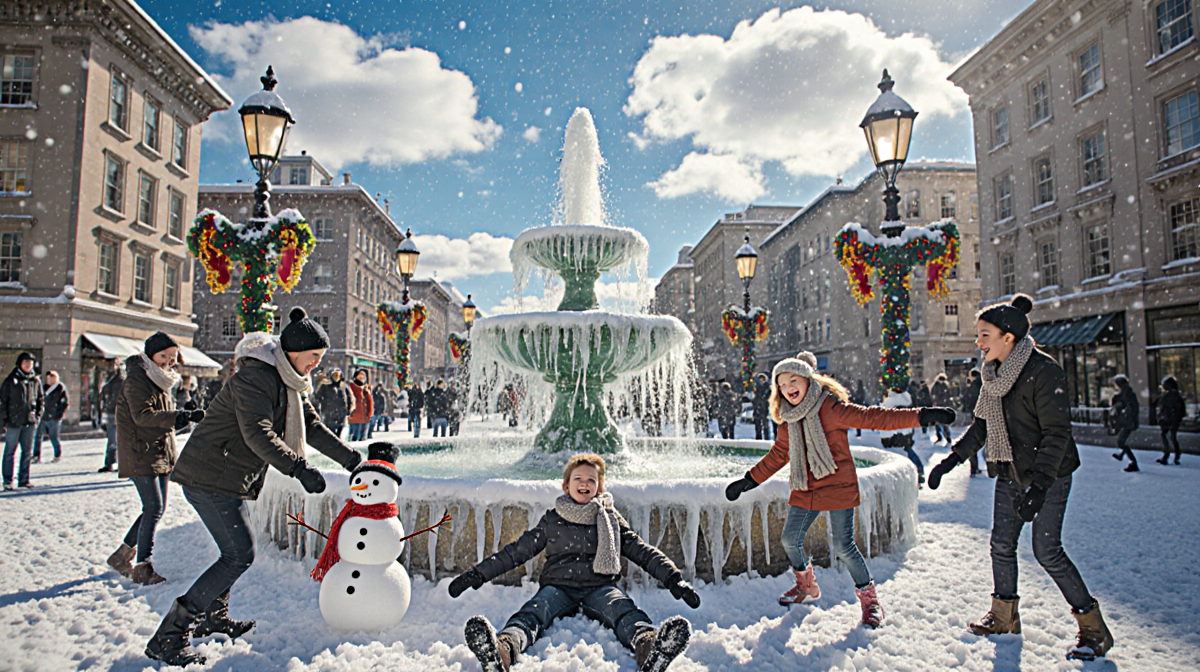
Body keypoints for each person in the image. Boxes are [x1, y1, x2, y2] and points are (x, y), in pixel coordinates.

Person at [146, 308, 363, 666]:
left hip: (227, 478)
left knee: (236, 552)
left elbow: (314, 428)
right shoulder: (256, 379)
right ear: (294, 351)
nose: (316, 364)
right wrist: (299, 468)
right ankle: (169, 636)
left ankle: (212, 617)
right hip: (209, 476)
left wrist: (353, 460)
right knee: (238, 554)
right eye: (314, 357)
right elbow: (257, 432)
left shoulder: (290, 383)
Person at [926, 295, 1113, 661]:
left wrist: (1041, 485)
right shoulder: (992, 375)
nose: (978, 343)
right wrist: (950, 461)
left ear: (1008, 337)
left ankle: (1094, 629)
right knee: (1001, 544)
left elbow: (1057, 434)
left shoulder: (1044, 372)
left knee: (1047, 551)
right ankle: (1004, 618)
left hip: (1051, 474)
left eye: (984, 335)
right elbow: (981, 427)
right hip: (1011, 471)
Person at [725, 352, 953, 628]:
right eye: (782, 385)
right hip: (806, 486)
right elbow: (778, 455)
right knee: (790, 539)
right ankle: (806, 586)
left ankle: (870, 601)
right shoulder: (788, 419)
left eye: (793, 380)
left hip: (836, 483)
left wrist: (922, 416)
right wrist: (748, 480)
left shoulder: (830, 407)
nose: (788, 388)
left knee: (844, 546)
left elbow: (874, 418)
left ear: (809, 380)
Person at [449, 453, 698, 672]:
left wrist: (674, 579)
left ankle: (651, 648)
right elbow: (516, 552)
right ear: (566, 485)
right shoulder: (552, 520)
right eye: (578, 478)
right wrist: (477, 574)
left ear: (599, 488)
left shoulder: (610, 519)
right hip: (558, 587)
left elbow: (642, 552)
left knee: (623, 610)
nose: (585, 483)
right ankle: (502, 651)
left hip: (600, 587)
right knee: (534, 613)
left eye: (592, 480)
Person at [106, 332, 203, 585]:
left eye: (172, 357)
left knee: (154, 509)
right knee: (153, 508)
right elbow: (143, 417)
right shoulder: (138, 379)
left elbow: (162, 420)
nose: (169, 361)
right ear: (150, 355)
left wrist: (185, 417)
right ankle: (143, 567)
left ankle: (121, 556)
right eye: (164, 356)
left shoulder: (160, 380)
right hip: (141, 452)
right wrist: (176, 416)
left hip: (157, 451)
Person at [1, 352, 43, 490]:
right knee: (9, 452)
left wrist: (37, 417)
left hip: (29, 422)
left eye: (30, 362)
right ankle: (8, 480)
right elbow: (3, 402)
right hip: (13, 422)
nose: (28, 365)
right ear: (20, 363)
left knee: (27, 452)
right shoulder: (11, 380)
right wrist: (3, 421)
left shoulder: (35, 380)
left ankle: (24, 479)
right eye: (25, 362)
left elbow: (41, 399)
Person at [34, 370, 69, 463]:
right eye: (49, 377)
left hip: (54, 417)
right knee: (38, 436)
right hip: (43, 415)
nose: (50, 379)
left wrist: (59, 414)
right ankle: (36, 455)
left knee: (54, 437)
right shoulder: (44, 388)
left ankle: (57, 455)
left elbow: (65, 402)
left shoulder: (60, 388)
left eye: (52, 377)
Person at [97, 362, 125, 473]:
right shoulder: (114, 382)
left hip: (118, 413)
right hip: (114, 412)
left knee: (116, 440)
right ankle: (111, 463)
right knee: (114, 440)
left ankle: (114, 463)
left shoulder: (119, 382)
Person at [1110, 375, 1139, 472]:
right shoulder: (1125, 394)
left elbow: (1131, 409)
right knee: (1121, 441)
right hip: (1127, 421)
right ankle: (1122, 456)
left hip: (1128, 422)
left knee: (1120, 442)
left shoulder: (1128, 395)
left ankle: (1133, 462)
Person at [314, 368, 354, 439]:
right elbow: (317, 397)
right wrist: (323, 404)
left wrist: (349, 410)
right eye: (334, 375)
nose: (336, 378)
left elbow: (350, 398)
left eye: (338, 375)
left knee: (339, 432)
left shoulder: (343, 386)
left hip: (341, 413)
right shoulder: (325, 386)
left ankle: (338, 443)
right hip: (329, 412)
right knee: (330, 432)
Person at [1156, 376, 1185, 465]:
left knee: (1167, 436)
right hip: (1172, 419)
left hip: (1169, 419)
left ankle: (1168, 455)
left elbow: (1163, 408)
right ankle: (1175, 454)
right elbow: (1181, 409)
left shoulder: (1168, 396)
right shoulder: (1176, 395)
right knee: (1172, 437)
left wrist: (1161, 417)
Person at [961, 370, 983, 476]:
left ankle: (974, 467)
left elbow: (971, 399)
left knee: (974, 440)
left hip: (978, 414)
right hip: (985, 414)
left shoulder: (975, 385)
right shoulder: (984, 382)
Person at [347, 369, 373, 442]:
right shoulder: (351, 386)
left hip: (365, 415)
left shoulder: (366, 387)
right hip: (354, 415)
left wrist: (370, 413)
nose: (362, 377)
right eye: (360, 375)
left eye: (363, 375)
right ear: (355, 376)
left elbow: (369, 401)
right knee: (354, 437)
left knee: (363, 438)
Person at [929, 373, 954, 444]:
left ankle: (947, 437)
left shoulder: (945, 385)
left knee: (944, 422)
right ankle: (939, 436)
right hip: (937, 406)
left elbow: (948, 394)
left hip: (944, 406)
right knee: (937, 422)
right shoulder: (935, 385)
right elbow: (933, 394)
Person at [752, 372, 772, 441]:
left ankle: (767, 438)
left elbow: (769, 398)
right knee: (757, 425)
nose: (761, 381)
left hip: (765, 409)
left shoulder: (768, 389)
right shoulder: (757, 388)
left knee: (765, 425)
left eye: (762, 379)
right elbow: (754, 399)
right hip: (757, 409)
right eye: (760, 379)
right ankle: (758, 438)